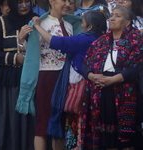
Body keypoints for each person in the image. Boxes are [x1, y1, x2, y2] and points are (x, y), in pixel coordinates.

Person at [32, 10, 107, 150]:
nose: (81, 23)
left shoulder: (84, 39)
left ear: (90, 27)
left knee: (75, 127)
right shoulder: (102, 39)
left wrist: (37, 26)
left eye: (83, 22)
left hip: (82, 87)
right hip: (96, 87)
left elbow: (55, 41)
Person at [15, 0, 82, 149]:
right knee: (43, 124)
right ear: (51, 1)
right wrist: (20, 40)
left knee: (61, 124)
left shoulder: (70, 25)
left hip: (67, 78)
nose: (67, 4)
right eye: (63, 0)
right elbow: (30, 52)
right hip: (47, 77)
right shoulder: (40, 24)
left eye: (68, 1)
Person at [81, 6, 143, 150]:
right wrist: (92, 76)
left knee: (127, 141)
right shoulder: (101, 41)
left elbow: (135, 69)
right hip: (102, 91)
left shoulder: (136, 40)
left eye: (117, 16)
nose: (112, 18)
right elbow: (86, 63)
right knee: (107, 139)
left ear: (127, 22)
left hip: (125, 91)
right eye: (111, 15)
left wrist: (111, 80)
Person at [0, 0, 37, 150]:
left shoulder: (36, 21)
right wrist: (15, 58)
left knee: (29, 122)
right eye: (19, 2)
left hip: (31, 79)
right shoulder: (1, 22)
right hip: (8, 81)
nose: (23, 5)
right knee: (7, 120)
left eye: (27, 1)